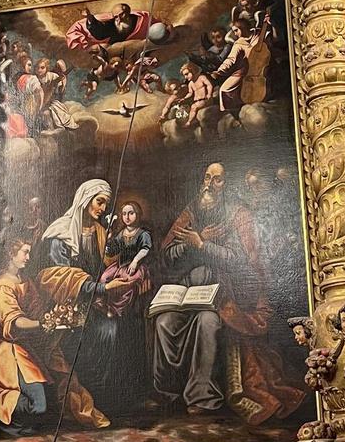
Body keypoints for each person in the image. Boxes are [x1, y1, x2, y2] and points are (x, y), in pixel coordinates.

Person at [153, 162, 303, 427]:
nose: (210, 184)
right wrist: (191, 244)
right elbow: (166, 255)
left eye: (218, 179)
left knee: (206, 323)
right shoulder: (190, 213)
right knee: (163, 323)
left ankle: (201, 397)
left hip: (222, 293)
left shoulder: (238, 215)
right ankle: (168, 392)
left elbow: (240, 260)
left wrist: (203, 245)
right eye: (207, 177)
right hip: (187, 291)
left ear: (227, 185)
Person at [37, 179, 143, 422]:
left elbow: (107, 266)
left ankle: (121, 398)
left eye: (106, 203)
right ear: (85, 200)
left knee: (129, 324)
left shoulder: (98, 231)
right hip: (66, 306)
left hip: (94, 300)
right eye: (100, 202)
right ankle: (100, 396)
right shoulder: (61, 233)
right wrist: (103, 288)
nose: (103, 208)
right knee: (108, 329)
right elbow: (58, 279)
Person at [0, 238, 105, 433]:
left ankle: (15, 420)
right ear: (11, 254)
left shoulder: (25, 282)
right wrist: (43, 323)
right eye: (24, 252)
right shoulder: (2, 286)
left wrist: (61, 316)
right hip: (3, 351)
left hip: (22, 348)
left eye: (29, 252)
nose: (28, 257)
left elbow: (38, 310)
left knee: (43, 404)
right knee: (38, 406)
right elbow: (14, 321)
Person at [101, 198, 154, 316]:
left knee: (126, 283)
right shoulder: (121, 233)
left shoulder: (143, 234)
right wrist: (108, 240)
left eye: (131, 213)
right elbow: (112, 252)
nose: (127, 217)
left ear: (138, 214)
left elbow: (145, 249)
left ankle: (117, 310)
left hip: (136, 267)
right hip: (120, 265)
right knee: (104, 278)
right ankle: (105, 305)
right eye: (124, 214)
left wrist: (135, 261)